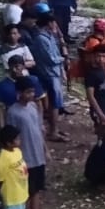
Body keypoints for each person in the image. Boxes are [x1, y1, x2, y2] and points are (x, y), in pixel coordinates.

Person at [6, 78, 48, 209]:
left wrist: (45, 148)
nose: (31, 95)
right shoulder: (13, 112)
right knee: (25, 192)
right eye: (28, 92)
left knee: (36, 188)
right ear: (19, 93)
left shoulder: (33, 107)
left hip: (37, 154)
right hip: (25, 157)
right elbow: (11, 137)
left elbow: (39, 130)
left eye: (32, 91)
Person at [28, 7, 69, 138]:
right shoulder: (41, 39)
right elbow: (51, 59)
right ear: (48, 24)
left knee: (55, 103)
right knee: (54, 103)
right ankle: (53, 131)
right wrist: (64, 58)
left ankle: (54, 128)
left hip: (54, 72)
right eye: (53, 22)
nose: (56, 25)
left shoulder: (50, 36)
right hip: (48, 73)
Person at [0, 124, 32, 209]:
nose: (19, 140)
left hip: (22, 191)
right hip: (12, 196)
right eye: (17, 139)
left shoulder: (17, 151)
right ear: (8, 142)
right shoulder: (3, 159)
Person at [0, 56, 45, 128]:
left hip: (31, 118)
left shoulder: (32, 81)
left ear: (23, 66)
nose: (14, 70)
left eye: (17, 67)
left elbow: (38, 103)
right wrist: (3, 129)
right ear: (9, 67)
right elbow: (0, 111)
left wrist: (40, 123)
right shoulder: (1, 86)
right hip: (13, 122)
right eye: (12, 67)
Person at [83, 44, 105, 138]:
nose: (101, 59)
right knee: (102, 136)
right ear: (94, 56)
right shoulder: (91, 73)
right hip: (100, 109)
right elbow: (90, 96)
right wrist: (100, 115)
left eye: (104, 56)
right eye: (98, 56)